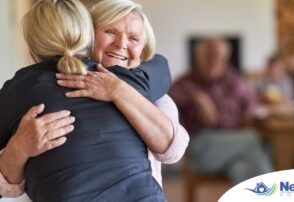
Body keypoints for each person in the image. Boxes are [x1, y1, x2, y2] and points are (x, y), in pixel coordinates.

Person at [0, 0, 189, 201]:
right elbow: (8, 186)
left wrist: (118, 91)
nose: (121, 44)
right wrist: (18, 148)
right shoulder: (28, 93)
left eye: (134, 38)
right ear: (87, 35)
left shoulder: (149, 90)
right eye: (110, 32)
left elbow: (173, 151)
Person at [169, 38, 273, 184]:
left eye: (218, 57)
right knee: (252, 139)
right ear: (198, 58)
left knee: (240, 167)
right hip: (202, 147)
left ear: (225, 59)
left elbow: (251, 104)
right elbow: (167, 95)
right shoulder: (186, 81)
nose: (213, 62)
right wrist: (196, 95)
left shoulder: (234, 80)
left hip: (234, 145)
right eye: (208, 57)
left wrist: (247, 115)